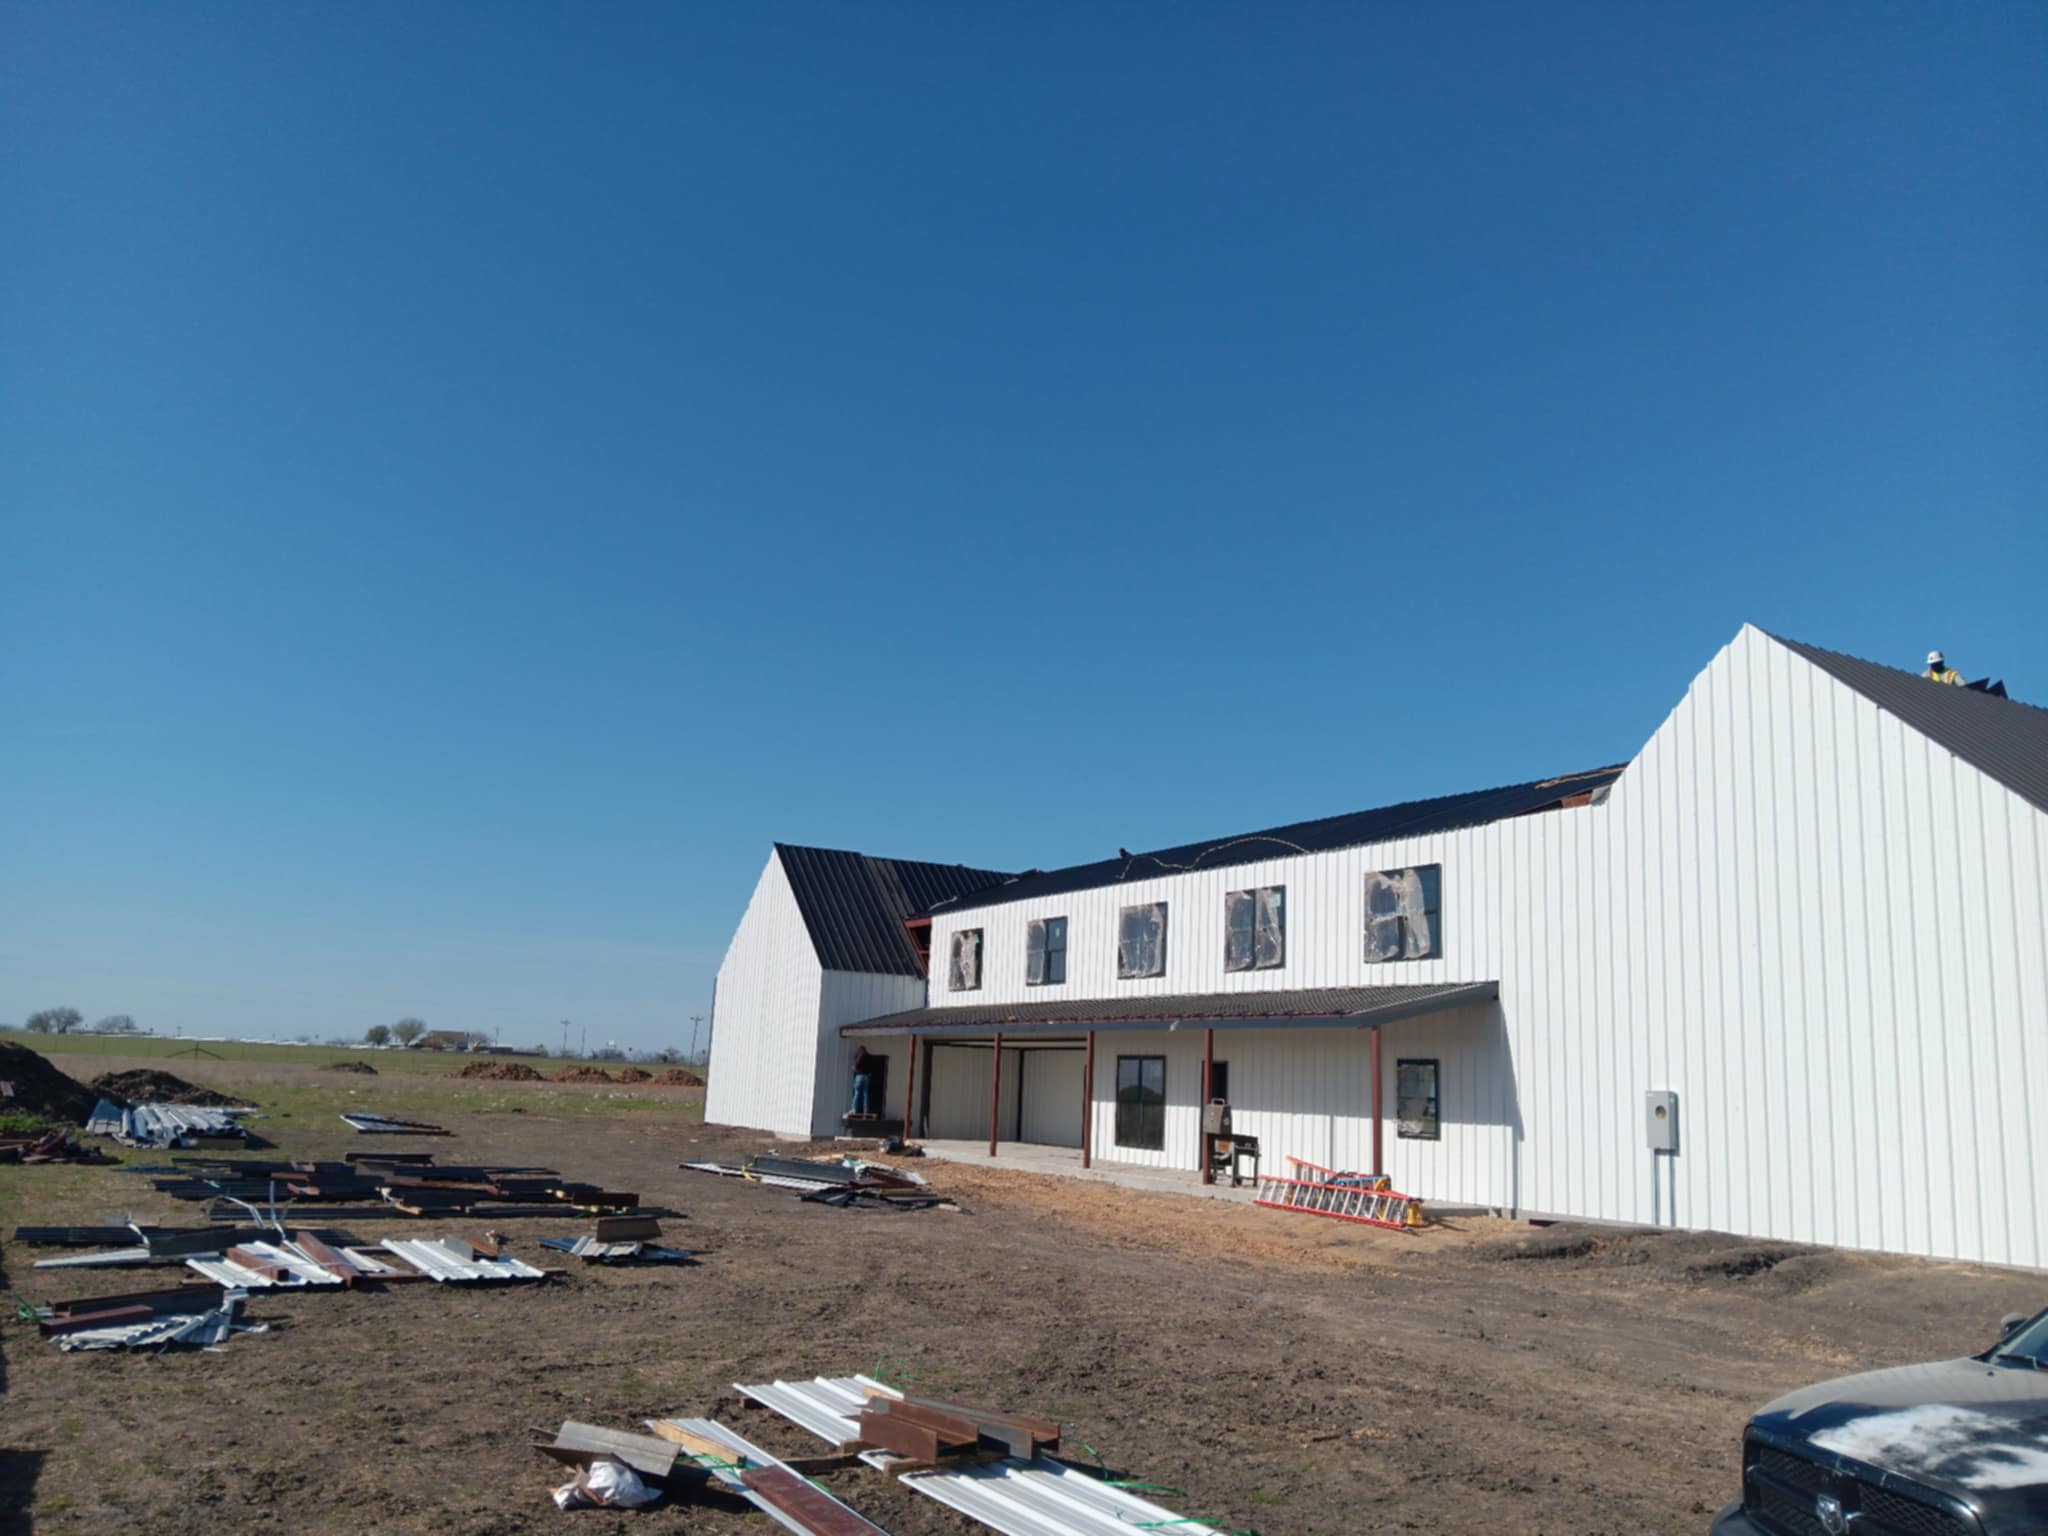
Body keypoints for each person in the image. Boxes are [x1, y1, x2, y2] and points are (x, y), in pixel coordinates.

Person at [849, 1046, 877, 1117]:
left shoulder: (860, 1056)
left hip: (860, 1076)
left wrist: (854, 1068)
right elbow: (873, 1067)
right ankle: (866, 1111)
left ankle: (854, 1109)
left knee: (857, 1093)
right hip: (867, 1076)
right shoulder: (870, 1057)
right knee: (866, 1093)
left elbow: (855, 1067)